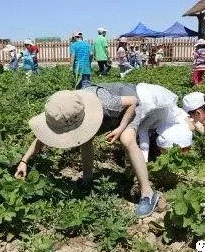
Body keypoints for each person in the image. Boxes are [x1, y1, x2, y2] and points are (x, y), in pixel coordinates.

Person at [15, 83, 160, 217]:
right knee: (85, 139)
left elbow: (132, 101)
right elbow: (43, 137)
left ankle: (148, 193)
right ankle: (87, 180)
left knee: (127, 139)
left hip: (130, 107)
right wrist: (24, 161)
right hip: (107, 115)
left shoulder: (105, 104)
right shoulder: (59, 111)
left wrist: (120, 128)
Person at [136, 83, 193, 162]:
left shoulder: (156, 111)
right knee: (180, 162)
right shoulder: (179, 110)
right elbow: (192, 127)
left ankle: (144, 160)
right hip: (186, 143)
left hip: (166, 143)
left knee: (143, 130)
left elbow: (143, 129)